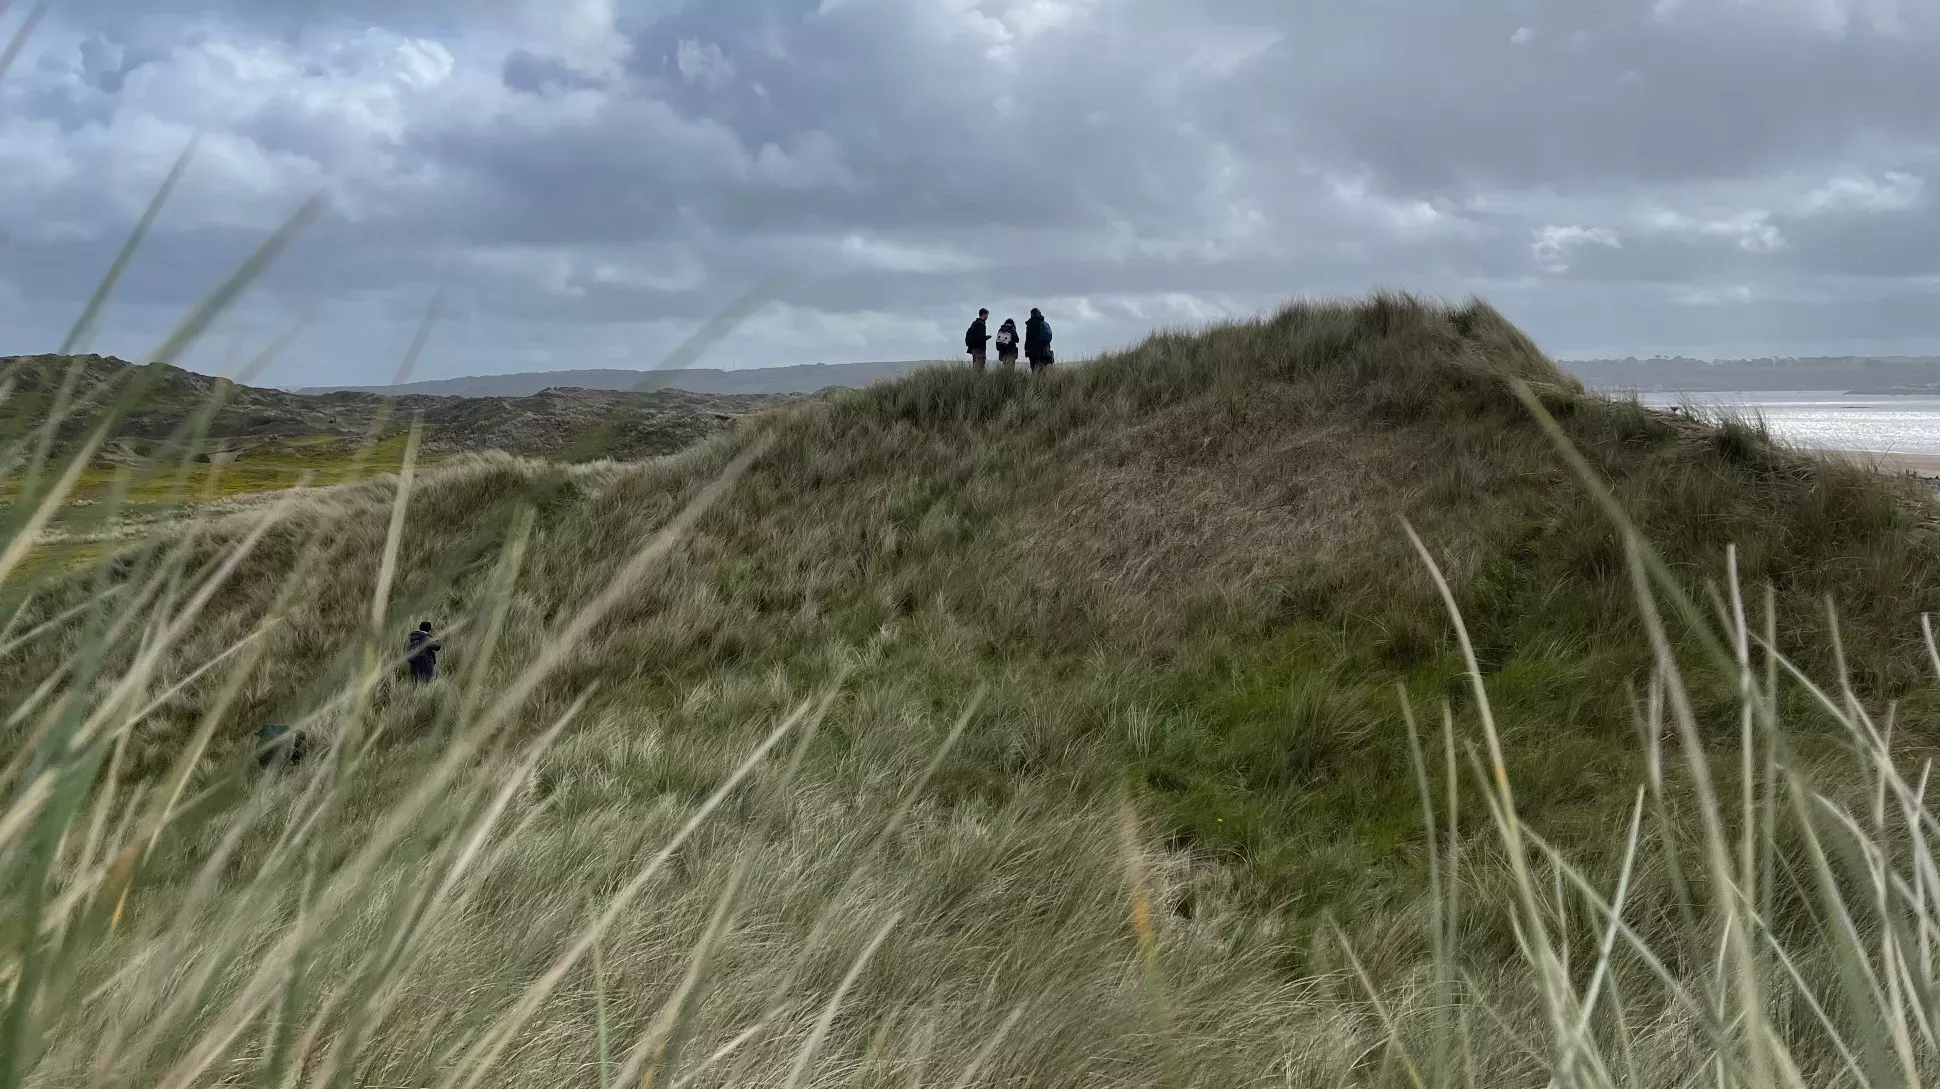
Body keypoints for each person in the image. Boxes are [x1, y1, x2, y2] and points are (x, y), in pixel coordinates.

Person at [1024, 308, 1054, 374]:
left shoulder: (1030, 324)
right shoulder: (1045, 323)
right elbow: (1048, 338)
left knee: (1034, 370)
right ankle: (1043, 384)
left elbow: (1028, 338)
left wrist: (1026, 349)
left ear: (1032, 314)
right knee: (1043, 370)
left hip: (1033, 351)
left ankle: (1036, 383)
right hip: (1045, 350)